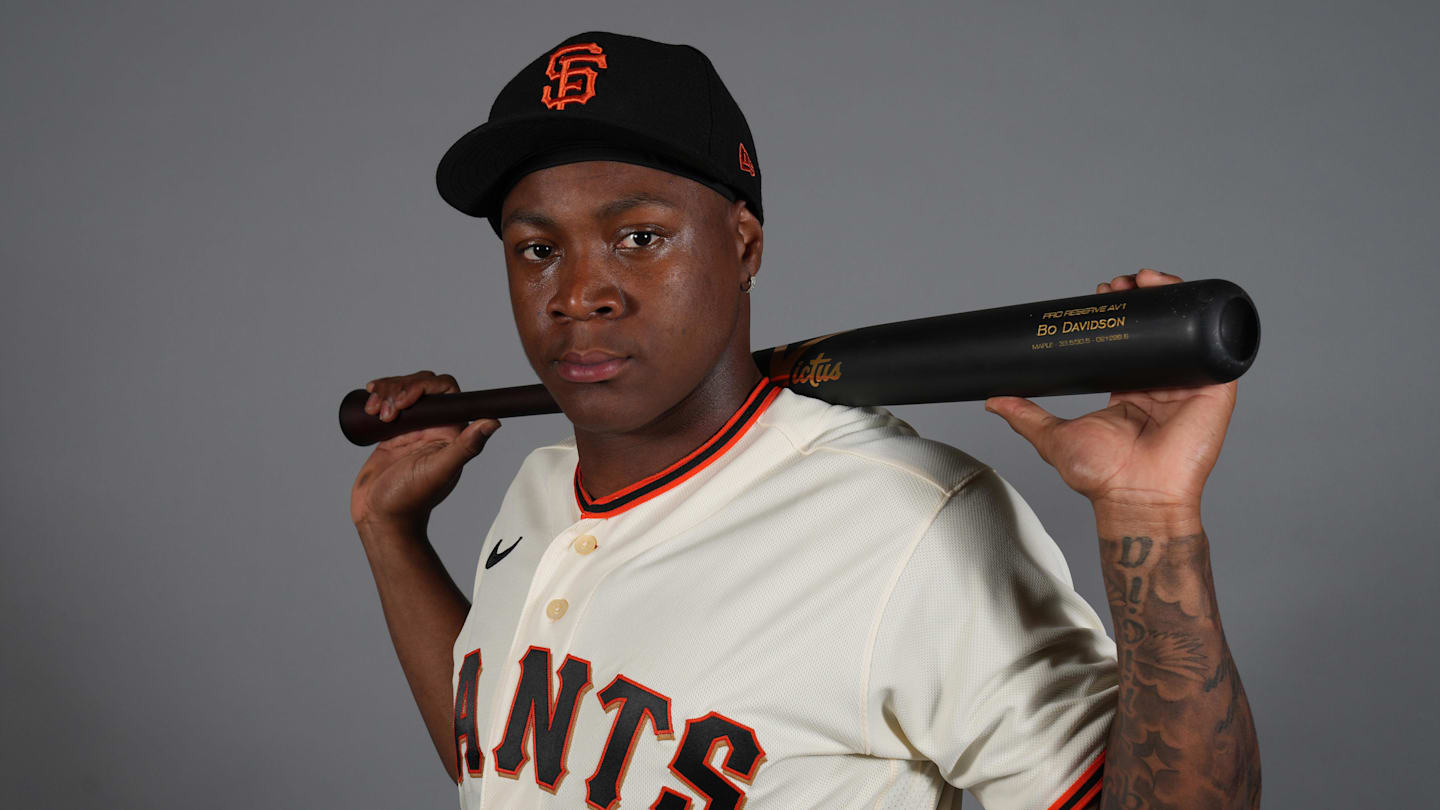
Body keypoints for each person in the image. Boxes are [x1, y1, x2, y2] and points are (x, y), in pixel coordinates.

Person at [349, 31, 1260, 809]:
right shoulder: (541, 487)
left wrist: (1150, 516)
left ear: (743, 244)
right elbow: (504, 762)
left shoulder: (904, 521)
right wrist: (392, 534)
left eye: (640, 237)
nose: (579, 293)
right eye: (538, 249)